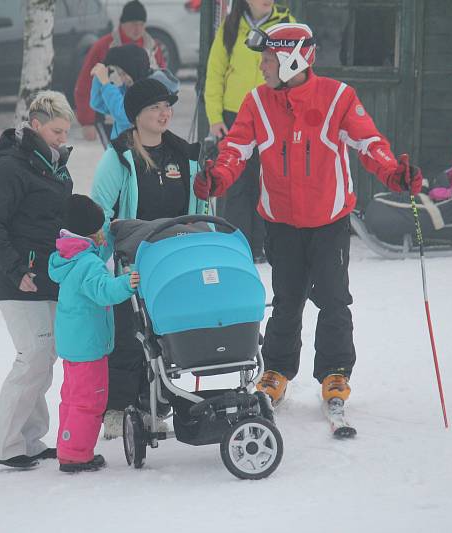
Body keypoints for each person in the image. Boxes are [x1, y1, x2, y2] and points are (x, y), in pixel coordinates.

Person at [193, 23, 422, 409]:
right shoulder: (257, 102)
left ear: (291, 59)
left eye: (268, 59)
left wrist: (393, 172)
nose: (262, 67)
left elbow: (370, 143)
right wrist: (217, 178)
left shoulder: (337, 98)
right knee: (286, 300)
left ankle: (335, 371)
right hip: (282, 223)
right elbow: (235, 148)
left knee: (333, 300)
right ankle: (278, 369)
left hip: (329, 221)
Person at [90, 78, 208, 438]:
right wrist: (100, 264)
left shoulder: (184, 155)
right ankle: (117, 408)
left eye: (168, 106)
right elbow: (99, 213)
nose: (164, 113)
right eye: (156, 107)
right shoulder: (119, 158)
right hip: (133, 265)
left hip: (174, 264)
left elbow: (200, 208)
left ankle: (153, 404)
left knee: (163, 340)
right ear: (136, 115)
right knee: (129, 338)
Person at [0, 91, 74, 469]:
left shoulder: (55, 165)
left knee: (45, 355)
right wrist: (16, 270)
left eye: (66, 131)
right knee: (32, 354)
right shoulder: (10, 167)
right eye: (56, 131)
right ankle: (2, 443)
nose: (63, 138)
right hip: (17, 278)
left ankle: (29, 439)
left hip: (48, 276)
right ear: (35, 125)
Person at [48, 194, 140, 473]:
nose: (103, 232)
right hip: (89, 347)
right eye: (100, 228)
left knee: (73, 398)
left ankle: (67, 444)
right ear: (89, 232)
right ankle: (76, 455)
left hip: (75, 344)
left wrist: (109, 239)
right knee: (90, 400)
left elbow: (94, 259)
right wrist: (127, 283)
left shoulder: (71, 256)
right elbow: (103, 291)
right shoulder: (88, 265)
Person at [204, 0, 294, 263]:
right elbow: (215, 71)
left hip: (274, 113)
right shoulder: (231, 26)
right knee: (235, 182)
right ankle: (234, 245)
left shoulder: (287, 24)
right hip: (235, 114)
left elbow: (299, 72)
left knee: (267, 180)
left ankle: (263, 245)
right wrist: (215, 116)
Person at [74, 0, 166, 142]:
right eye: (133, 24)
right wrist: (87, 121)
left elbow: (163, 82)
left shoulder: (152, 47)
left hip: (144, 120)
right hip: (109, 120)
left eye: (141, 24)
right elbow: (85, 84)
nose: (137, 29)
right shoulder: (103, 46)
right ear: (122, 23)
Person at [90, 44, 180, 142]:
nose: (122, 78)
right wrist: (100, 78)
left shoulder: (149, 91)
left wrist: (106, 84)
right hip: (122, 150)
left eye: (124, 74)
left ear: (133, 68)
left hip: (139, 152)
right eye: (120, 74)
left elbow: (125, 117)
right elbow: (97, 103)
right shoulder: (129, 88)